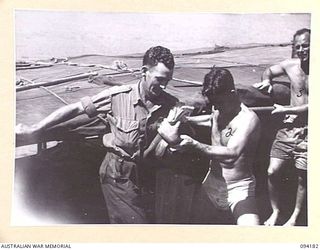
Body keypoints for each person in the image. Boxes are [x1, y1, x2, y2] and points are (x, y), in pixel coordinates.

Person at [15, 46, 178, 224]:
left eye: (167, 81)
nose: (163, 86)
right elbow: (75, 109)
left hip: (146, 175)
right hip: (118, 175)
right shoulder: (118, 97)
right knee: (137, 226)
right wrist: (36, 128)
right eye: (160, 79)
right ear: (144, 72)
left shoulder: (170, 104)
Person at [159, 68, 261, 225]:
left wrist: (195, 144)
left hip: (238, 188)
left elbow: (232, 152)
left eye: (219, 103)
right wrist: (187, 120)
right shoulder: (217, 107)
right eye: (213, 104)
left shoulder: (248, 120)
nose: (216, 108)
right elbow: (212, 120)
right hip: (211, 184)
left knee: (252, 232)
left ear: (232, 92)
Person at [253, 28, 310, 226]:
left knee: (303, 178)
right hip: (288, 129)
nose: (302, 50)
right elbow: (268, 71)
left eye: (306, 45)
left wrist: (287, 109)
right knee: (272, 171)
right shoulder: (291, 65)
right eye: (298, 46)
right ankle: (276, 211)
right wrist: (266, 81)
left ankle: (294, 217)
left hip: (310, 131)